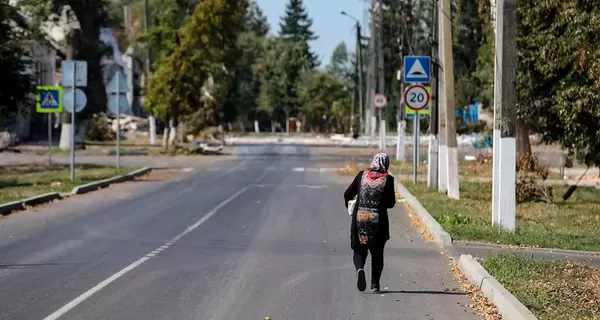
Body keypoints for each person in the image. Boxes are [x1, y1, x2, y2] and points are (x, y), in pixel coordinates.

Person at [344, 153, 396, 292]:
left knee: (359, 249)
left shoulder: (362, 175)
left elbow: (347, 194)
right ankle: (374, 284)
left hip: (360, 219)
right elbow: (391, 203)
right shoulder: (388, 180)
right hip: (379, 222)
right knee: (377, 253)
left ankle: (360, 268)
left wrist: (351, 209)